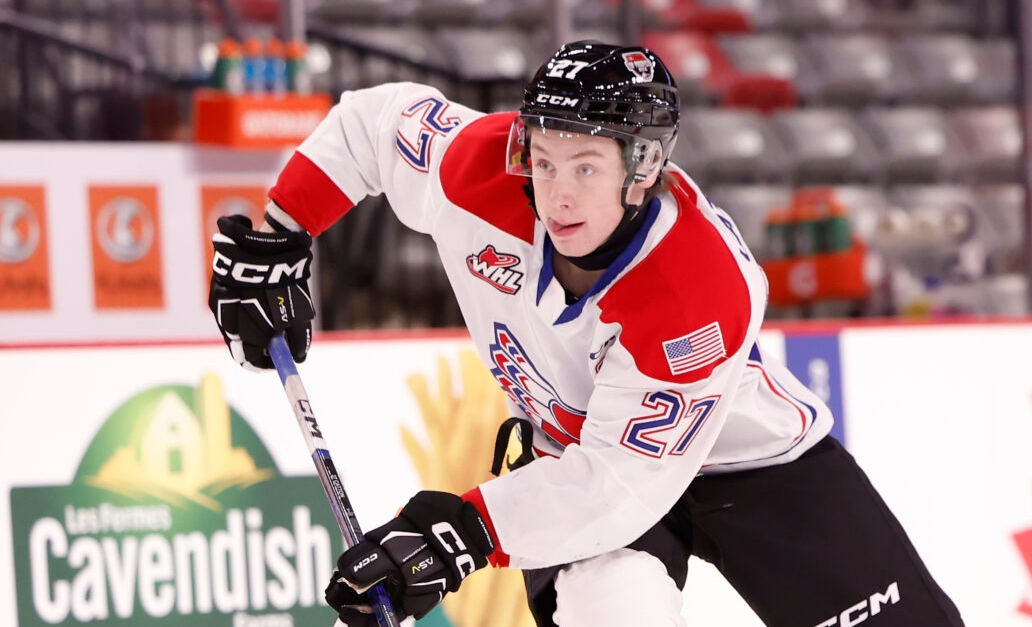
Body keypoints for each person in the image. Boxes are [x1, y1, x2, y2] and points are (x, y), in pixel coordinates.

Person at [209, 41, 965, 627]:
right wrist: (281, 233)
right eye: (543, 161)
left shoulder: (697, 290)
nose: (557, 195)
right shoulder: (479, 174)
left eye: (585, 168)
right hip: (571, 457)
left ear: (643, 167)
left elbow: (619, 485)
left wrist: (457, 532)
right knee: (617, 609)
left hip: (742, 458)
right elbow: (372, 126)